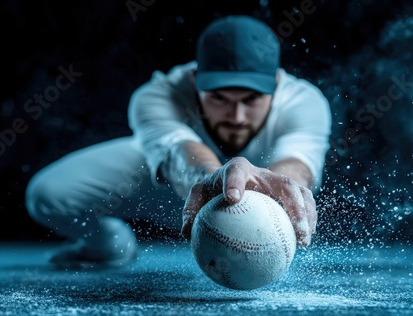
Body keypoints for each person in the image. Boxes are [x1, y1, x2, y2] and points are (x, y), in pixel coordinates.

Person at [25, 15, 331, 269]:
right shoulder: (158, 94)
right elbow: (181, 153)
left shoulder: (304, 100)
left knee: (288, 186)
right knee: (48, 194)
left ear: (276, 84)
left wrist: (283, 182)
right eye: (220, 98)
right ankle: (109, 247)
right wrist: (214, 178)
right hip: (175, 191)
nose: (236, 116)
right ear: (195, 81)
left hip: (262, 199)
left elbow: (298, 164)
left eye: (251, 100)